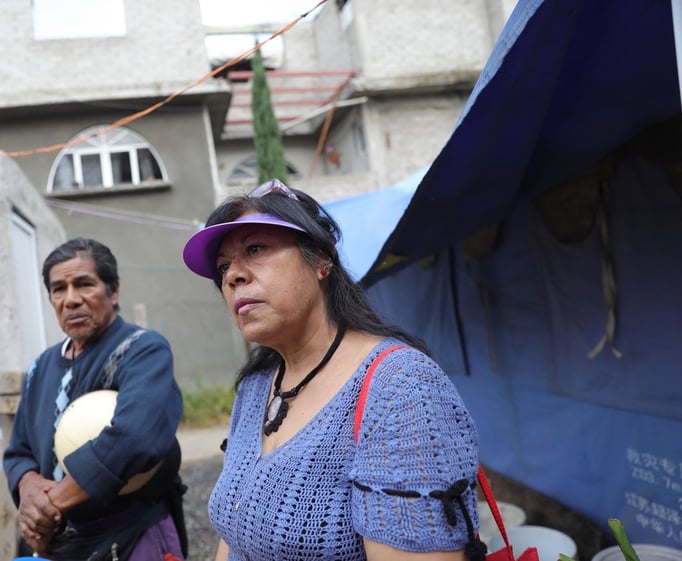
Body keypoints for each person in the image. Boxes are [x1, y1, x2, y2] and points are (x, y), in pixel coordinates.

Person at [181, 179, 485, 561]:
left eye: (255, 249)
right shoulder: (256, 386)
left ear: (321, 259)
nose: (232, 276)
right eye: (223, 267)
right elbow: (233, 535)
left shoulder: (401, 389)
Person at [3, 237, 186, 561]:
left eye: (84, 284)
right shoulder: (40, 368)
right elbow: (19, 450)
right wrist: (29, 487)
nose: (70, 299)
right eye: (59, 289)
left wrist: (51, 504)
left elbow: (136, 436)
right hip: (65, 546)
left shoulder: (143, 350)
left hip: (131, 538)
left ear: (113, 291)